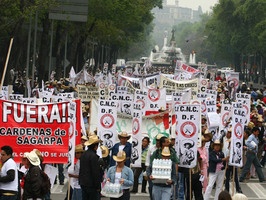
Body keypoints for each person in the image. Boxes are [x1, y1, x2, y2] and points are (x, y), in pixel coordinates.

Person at [79, 135, 102, 200]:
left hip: (83, 183)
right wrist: (98, 186)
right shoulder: (93, 156)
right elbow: (95, 172)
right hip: (92, 185)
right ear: (96, 147)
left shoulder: (83, 154)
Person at [145, 133, 164, 200]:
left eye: (159, 140)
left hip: (162, 171)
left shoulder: (165, 149)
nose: (158, 141)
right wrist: (147, 171)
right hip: (152, 170)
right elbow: (147, 160)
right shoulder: (151, 148)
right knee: (151, 187)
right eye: (157, 140)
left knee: (159, 187)